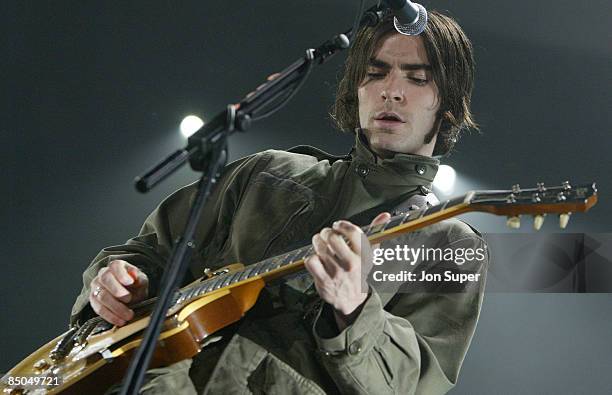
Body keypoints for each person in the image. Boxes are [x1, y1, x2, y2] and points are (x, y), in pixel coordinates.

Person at [70, 10, 488, 394]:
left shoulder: (450, 243)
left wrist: (356, 308)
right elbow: (142, 251)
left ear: (448, 105)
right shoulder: (266, 172)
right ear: (356, 89)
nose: (391, 92)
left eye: (417, 79)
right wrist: (115, 282)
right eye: (375, 74)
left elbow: (411, 385)